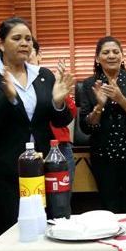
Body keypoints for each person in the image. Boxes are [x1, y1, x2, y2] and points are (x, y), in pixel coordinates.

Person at [0, 17, 75, 233]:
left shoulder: (42, 76)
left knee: (50, 230)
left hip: (42, 169)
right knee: (16, 234)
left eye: (28, 38)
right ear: (1, 44)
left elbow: (60, 120)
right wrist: (7, 99)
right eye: (17, 38)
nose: (25, 43)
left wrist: (58, 102)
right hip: (4, 173)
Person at [76, 36, 126, 213]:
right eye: (106, 52)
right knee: (109, 208)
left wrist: (121, 99)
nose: (111, 56)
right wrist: (100, 106)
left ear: (122, 57)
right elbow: (86, 126)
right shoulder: (89, 84)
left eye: (116, 52)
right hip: (103, 156)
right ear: (97, 58)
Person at [30, 38, 77, 189]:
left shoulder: (49, 78)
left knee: (60, 198)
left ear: (39, 55)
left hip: (59, 146)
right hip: (30, 148)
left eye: (30, 51)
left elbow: (71, 112)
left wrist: (60, 94)